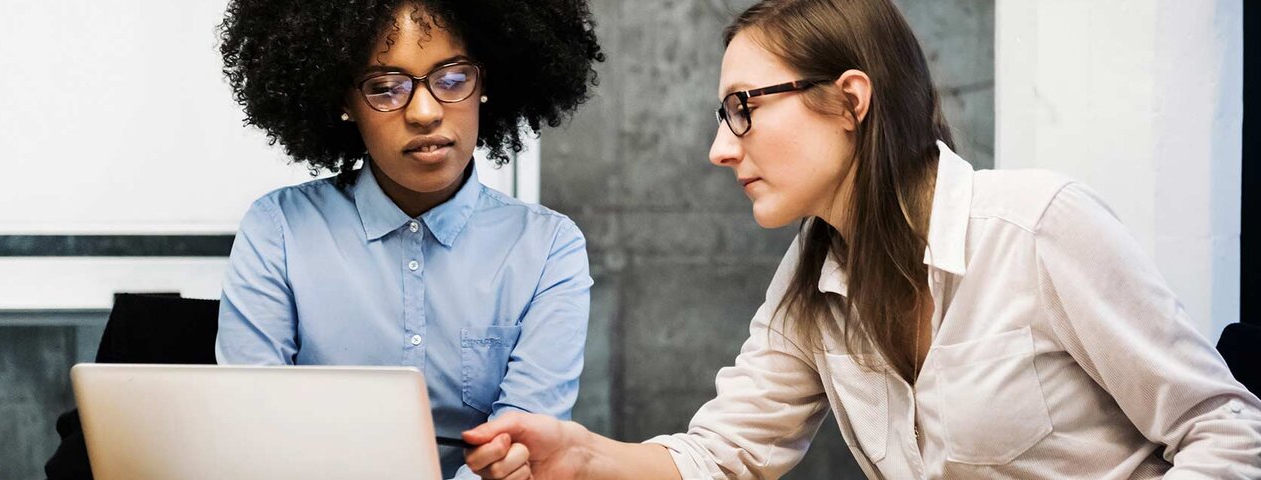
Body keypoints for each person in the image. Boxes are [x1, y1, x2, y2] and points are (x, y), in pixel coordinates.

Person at [460, 0, 1261, 478]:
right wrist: (585, 456)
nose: (720, 147)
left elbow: (1230, 434)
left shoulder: (1038, 227)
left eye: (744, 107)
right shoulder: (810, 283)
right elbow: (724, 458)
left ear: (849, 101)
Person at [212, 1, 603, 479]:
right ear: (343, 102)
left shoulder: (547, 248)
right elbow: (254, 428)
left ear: (486, 86)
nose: (424, 111)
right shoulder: (279, 229)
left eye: (453, 79)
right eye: (385, 88)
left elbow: (520, 447)